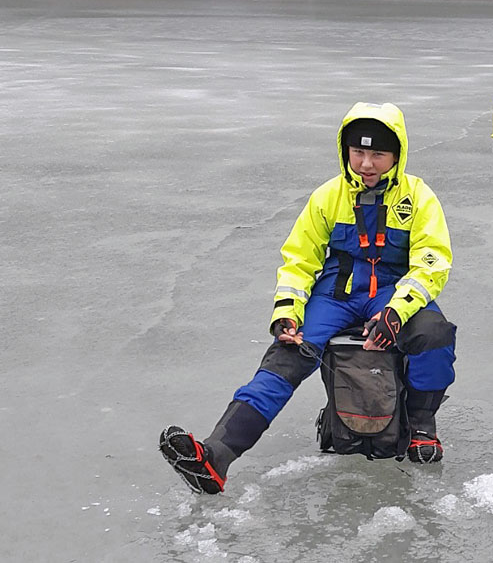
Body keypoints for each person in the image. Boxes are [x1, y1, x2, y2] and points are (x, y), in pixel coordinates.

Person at [160, 102, 456, 494]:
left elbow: (431, 263)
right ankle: (216, 457)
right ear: (346, 151)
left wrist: (396, 312)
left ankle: (422, 430)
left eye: (378, 154)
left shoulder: (418, 197)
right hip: (337, 294)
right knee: (287, 355)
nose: (367, 163)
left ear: (397, 155)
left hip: (393, 290)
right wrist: (287, 312)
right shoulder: (327, 197)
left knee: (434, 335)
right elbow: (299, 261)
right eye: (358, 152)